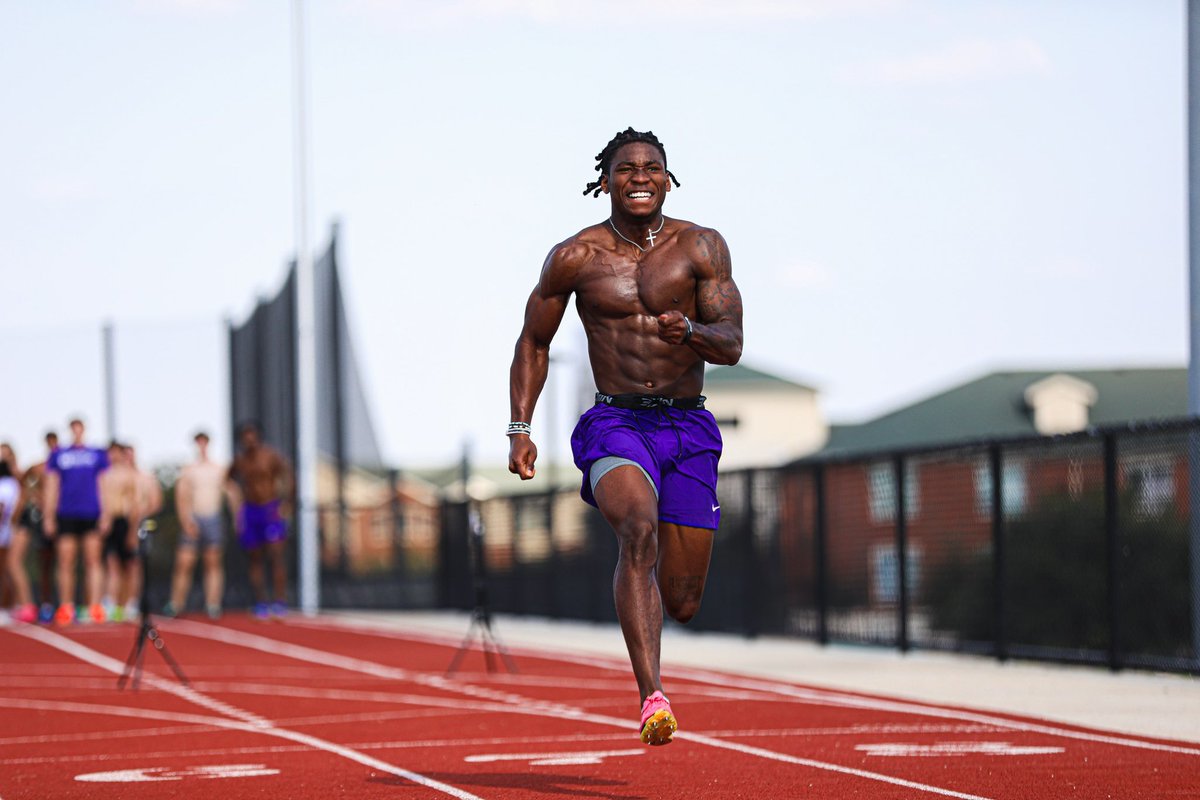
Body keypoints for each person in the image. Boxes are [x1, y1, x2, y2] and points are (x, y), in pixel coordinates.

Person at [508, 128, 743, 746]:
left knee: (684, 599)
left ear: (667, 179)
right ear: (605, 180)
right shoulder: (575, 257)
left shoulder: (702, 247)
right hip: (617, 421)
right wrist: (520, 428)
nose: (639, 177)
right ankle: (652, 696)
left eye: (651, 168)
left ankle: (656, 632)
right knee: (636, 531)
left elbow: (732, 345)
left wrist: (689, 328)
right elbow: (534, 341)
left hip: (687, 425)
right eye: (626, 168)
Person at [43, 419, 110, 625]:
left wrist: (106, 514)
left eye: (80, 428)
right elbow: (52, 485)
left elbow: (103, 484)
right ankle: (66, 606)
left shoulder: (97, 454)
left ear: (84, 430)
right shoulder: (59, 455)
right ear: (70, 430)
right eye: (73, 428)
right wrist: (48, 516)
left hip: (91, 513)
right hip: (66, 513)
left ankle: (95, 606)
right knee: (65, 561)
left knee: (93, 560)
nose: (77, 432)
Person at [227, 422, 294, 620]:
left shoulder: (270, 456)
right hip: (250, 510)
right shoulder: (240, 461)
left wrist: (287, 503)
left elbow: (288, 475)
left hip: (270, 509)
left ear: (258, 437)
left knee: (276, 555)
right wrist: (236, 505)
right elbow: (229, 480)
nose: (249, 440)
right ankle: (261, 602)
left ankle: (280, 602)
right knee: (255, 558)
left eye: (252, 435)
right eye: (245, 436)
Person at [165, 431, 228, 619]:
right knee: (184, 563)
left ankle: (213, 604)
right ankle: (176, 603)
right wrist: (186, 520)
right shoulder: (189, 470)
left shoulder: (219, 469)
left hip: (213, 518)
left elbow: (230, 492)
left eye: (204, 442)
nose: (201, 446)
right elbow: (181, 495)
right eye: (198, 443)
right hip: (194, 518)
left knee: (213, 563)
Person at [16, 432, 59, 622]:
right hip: (42, 521)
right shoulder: (38, 467)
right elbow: (23, 479)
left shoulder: (62, 467)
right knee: (44, 564)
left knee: (61, 563)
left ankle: (61, 603)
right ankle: (46, 603)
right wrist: (34, 496)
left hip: (61, 518)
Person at [98, 441, 139, 621]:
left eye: (115, 452)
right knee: (111, 564)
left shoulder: (129, 475)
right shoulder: (103, 474)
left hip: (124, 521)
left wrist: (132, 529)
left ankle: (129, 602)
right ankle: (111, 602)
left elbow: (134, 504)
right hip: (109, 522)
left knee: (129, 566)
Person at [2, 444, 38, 623]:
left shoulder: (18, 476)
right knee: (8, 567)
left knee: (14, 563)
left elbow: (24, 496)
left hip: (19, 523)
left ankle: (27, 605)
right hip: (10, 525)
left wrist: (13, 519)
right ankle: (16, 604)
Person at [0, 458, 21, 625]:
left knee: (4, 570)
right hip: (10, 530)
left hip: (3, 532)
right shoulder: (14, 485)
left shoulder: (4, 485)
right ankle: (10, 605)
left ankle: (5, 606)